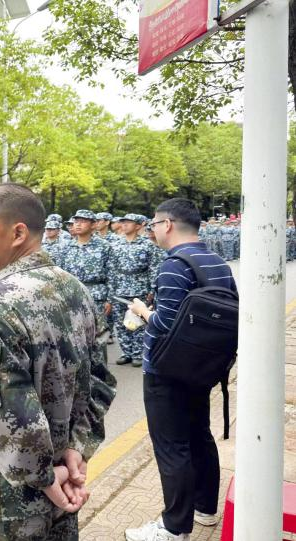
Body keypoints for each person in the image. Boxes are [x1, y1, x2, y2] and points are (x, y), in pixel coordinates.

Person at [0, 183, 110, 540]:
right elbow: (99, 380)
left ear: (17, 233)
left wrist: (43, 478)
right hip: (59, 482)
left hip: (2, 502)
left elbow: (5, 409)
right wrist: (77, 449)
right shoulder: (73, 287)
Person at [126, 198, 236, 541]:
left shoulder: (174, 265)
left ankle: (174, 527)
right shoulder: (217, 261)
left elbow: (165, 324)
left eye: (153, 224)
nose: (152, 231)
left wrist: (143, 311)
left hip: (166, 371)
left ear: (168, 224)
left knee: (172, 447)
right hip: (202, 368)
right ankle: (205, 508)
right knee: (199, 436)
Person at [110, 214, 157, 368]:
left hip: (140, 288)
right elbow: (111, 269)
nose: (124, 225)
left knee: (139, 322)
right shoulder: (115, 244)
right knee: (121, 323)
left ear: (138, 226)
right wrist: (111, 291)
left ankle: (138, 354)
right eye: (122, 222)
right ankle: (126, 353)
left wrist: (152, 289)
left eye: (128, 223)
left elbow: (153, 268)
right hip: (119, 289)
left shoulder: (147, 245)